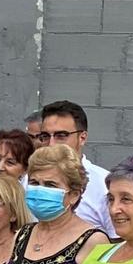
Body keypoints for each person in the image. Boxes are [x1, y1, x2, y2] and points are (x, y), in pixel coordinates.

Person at [36, 100, 114, 236]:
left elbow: (118, 245)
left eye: (61, 136)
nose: (51, 144)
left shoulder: (104, 184)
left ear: (82, 138)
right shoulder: (28, 181)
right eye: (45, 136)